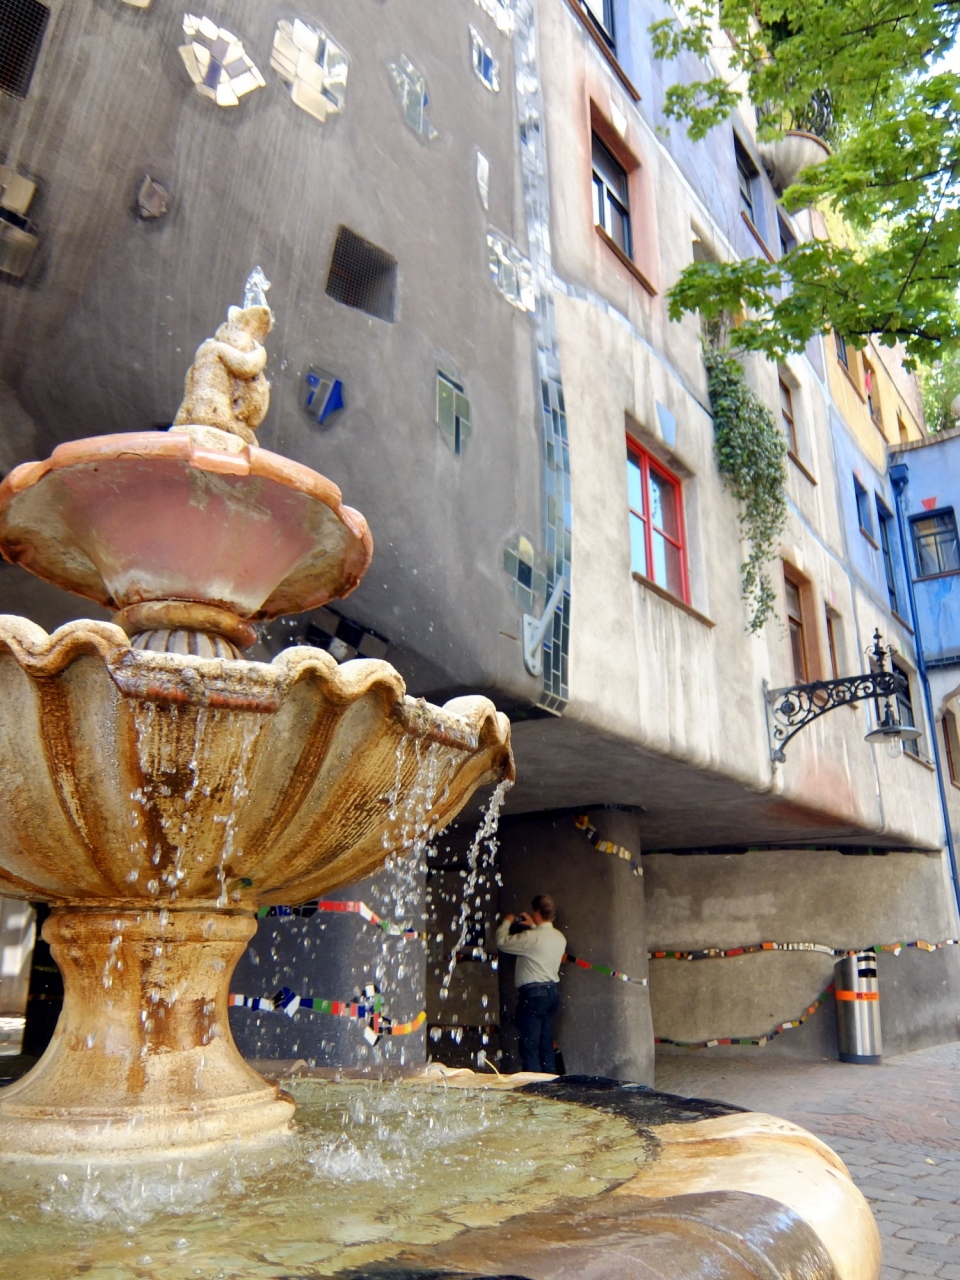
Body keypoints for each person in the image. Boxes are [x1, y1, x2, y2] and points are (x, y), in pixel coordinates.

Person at [495, 894, 566, 1073]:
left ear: (536, 913)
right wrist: (534, 926)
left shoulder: (530, 937)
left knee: (529, 1046)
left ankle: (534, 1085)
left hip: (533, 995)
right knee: (546, 1044)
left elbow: (502, 942)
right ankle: (551, 1083)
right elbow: (541, 942)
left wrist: (507, 922)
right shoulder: (560, 937)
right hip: (552, 993)